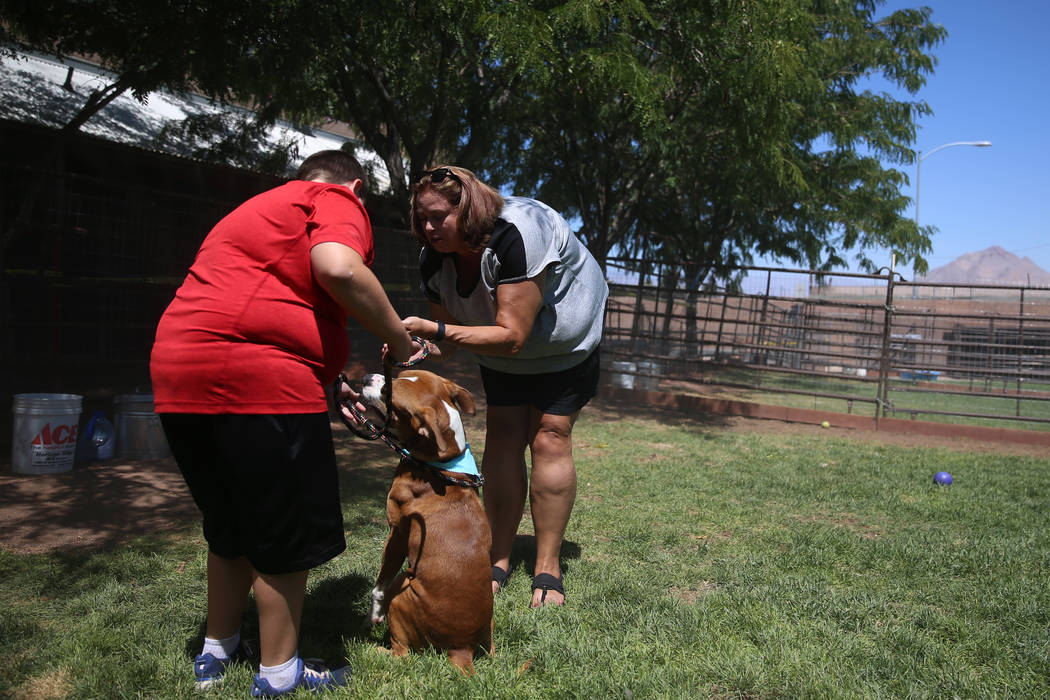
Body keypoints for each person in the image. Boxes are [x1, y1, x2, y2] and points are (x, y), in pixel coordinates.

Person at [150, 150, 426, 696]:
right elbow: (338, 268)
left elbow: (262, 299)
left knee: (229, 526)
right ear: (356, 184)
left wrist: (330, 379)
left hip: (178, 371)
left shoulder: (257, 209)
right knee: (282, 530)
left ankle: (217, 650)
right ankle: (279, 674)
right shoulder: (333, 198)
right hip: (259, 381)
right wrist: (398, 338)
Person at [402, 165, 608, 608]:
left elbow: (513, 335)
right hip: (498, 349)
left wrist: (436, 329)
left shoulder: (516, 235)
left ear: (469, 211)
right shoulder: (432, 259)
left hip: (564, 345)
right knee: (502, 440)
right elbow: (450, 341)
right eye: (422, 218)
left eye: (439, 216)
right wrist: (412, 346)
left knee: (550, 437)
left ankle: (547, 567)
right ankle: (497, 557)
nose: (429, 227)